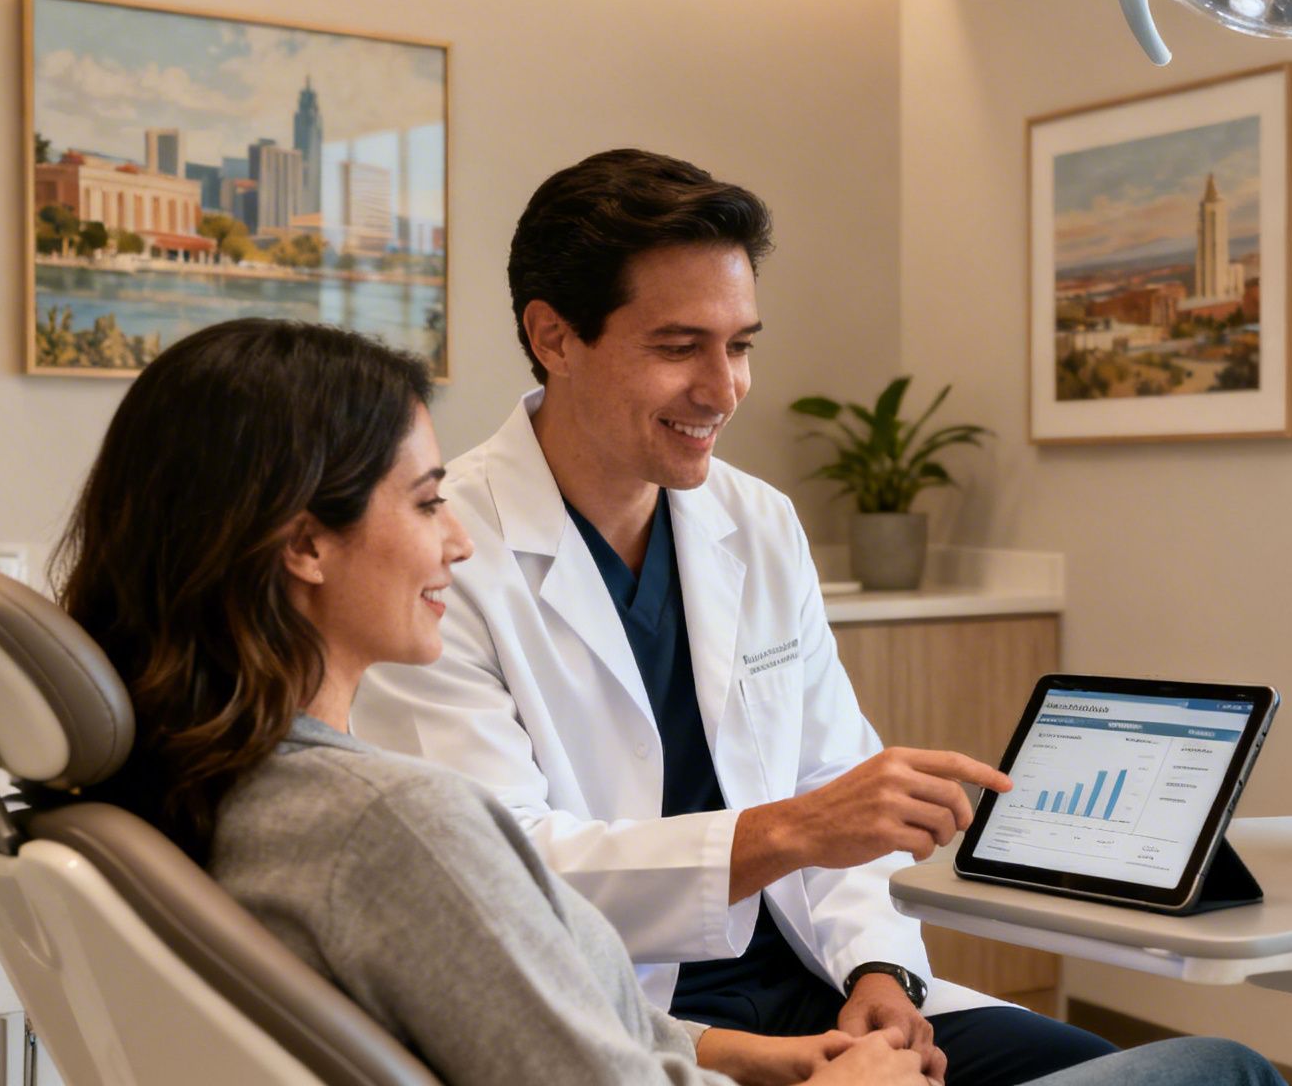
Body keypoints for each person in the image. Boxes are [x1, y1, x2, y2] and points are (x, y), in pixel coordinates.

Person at [354, 151, 1282, 1086]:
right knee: (1222, 1074)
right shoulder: (443, 551)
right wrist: (790, 831)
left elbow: (835, 780)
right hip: (642, 1022)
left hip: (821, 986)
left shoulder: (754, 522)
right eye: (679, 348)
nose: (724, 390)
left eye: (742, 344)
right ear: (554, 337)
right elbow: (499, 880)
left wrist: (880, 970)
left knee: (1161, 1069)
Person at [54, 317, 931, 1086]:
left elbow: (509, 1024)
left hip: (736, 1014)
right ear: (306, 546)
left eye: (740, 344)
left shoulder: (203, 793)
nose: (461, 539)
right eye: (428, 502)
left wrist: (728, 1052)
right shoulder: (394, 825)